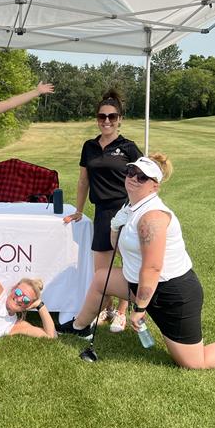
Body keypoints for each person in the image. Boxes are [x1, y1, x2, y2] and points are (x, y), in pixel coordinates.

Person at [60, 153, 215, 369]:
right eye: (131, 172)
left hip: (171, 293)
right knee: (101, 279)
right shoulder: (131, 207)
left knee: (193, 362)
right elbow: (122, 250)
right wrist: (115, 227)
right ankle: (79, 327)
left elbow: (153, 268)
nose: (134, 178)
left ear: (155, 186)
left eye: (142, 177)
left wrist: (140, 308)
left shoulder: (151, 217)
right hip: (140, 283)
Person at [67, 90, 142, 333]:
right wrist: (79, 210)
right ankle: (106, 308)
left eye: (112, 116)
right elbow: (83, 181)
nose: (106, 121)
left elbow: (143, 179)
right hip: (101, 212)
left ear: (120, 119)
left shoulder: (128, 148)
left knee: (128, 263)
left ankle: (121, 313)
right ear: (97, 118)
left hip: (124, 212)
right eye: (102, 116)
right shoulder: (89, 146)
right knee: (102, 269)